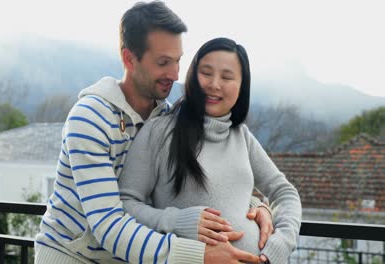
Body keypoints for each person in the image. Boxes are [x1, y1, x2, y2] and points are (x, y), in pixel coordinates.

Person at [35, 2, 272, 263]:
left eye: (178, 60)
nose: (175, 74)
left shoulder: (167, 120)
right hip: (71, 256)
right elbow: (108, 224)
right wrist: (199, 256)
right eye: (163, 62)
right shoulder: (90, 118)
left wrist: (252, 207)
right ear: (129, 59)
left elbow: (192, 186)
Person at [119, 37, 302, 264]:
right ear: (192, 76)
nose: (215, 84)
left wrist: (281, 242)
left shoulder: (241, 136)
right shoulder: (159, 131)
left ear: (241, 86)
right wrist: (176, 220)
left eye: (226, 77)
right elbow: (126, 203)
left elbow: (285, 193)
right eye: (206, 73)